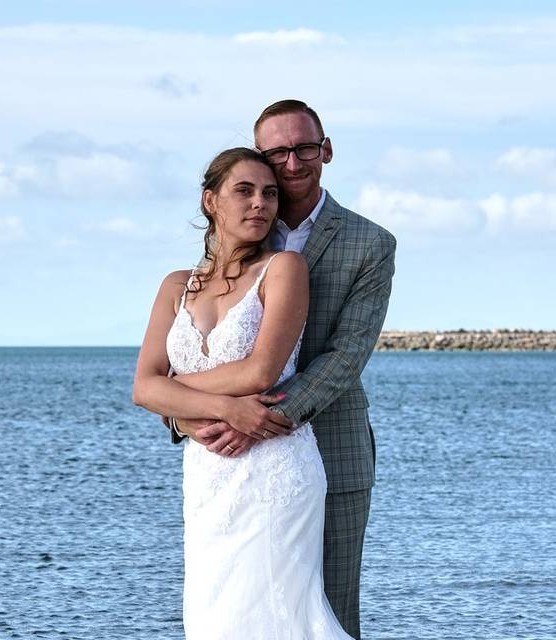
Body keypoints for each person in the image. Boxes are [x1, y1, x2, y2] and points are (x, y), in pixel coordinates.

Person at [167, 100, 396, 638]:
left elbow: (346, 356)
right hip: (221, 462)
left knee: (325, 617)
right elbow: (198, 348)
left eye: (305, 148)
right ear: (261, 158)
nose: (293, 163)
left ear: (327, 150)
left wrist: (259, 417)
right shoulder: (238, 238)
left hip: (325, 452)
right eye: (278, 152)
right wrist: (188, 416)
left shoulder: (370, 244)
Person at [133, 147, 356, 638]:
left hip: (274, 470)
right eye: (244, 191)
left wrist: (170, 392)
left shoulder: (284, 268)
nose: (260, 204)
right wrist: (213, 407)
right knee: (216, 617)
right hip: (208, 472)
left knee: (281, 615)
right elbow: (142, 386)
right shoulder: (175, 286)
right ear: (210, 200)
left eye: (270, 194)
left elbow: (259, 372)